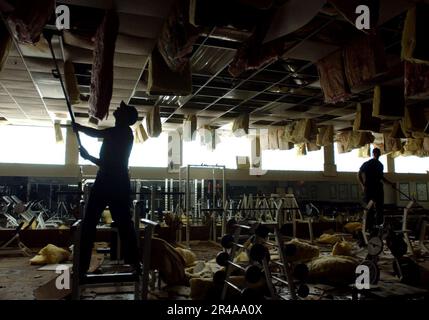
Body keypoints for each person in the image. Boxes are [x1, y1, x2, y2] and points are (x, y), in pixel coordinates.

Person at [73, 101, 139, 275]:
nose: (117, 109)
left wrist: (88, 155)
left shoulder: (122, 133)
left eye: (121, 110)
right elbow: (98, 134)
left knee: (118, 225)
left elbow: (107, 159)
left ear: (125, 118)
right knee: (114, 224)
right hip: (110, 181)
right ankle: (82, 266)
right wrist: (79, 128)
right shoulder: (120, 132)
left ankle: (135, 263)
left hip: (112, 182)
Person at [357, 148, 389, 232]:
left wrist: (389, 183)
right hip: (369, 187)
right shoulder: (368, 163)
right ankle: (368, 227)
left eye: (378, 153)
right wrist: (363, 186)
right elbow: (358, 174)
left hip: (378, 188)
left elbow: (381, 177)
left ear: (379, 154)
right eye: (375, 153)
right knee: (369, 208)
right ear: (373, 154)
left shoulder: (380, 165)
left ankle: (378, 226)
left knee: (380, 208)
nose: (377, 154)